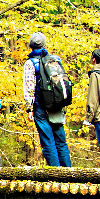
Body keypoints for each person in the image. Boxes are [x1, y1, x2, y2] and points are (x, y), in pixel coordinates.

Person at [23, 32, 72, 167]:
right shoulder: (55, 60)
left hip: (40, 106)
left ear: (31, 46)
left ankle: (56, 176)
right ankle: (68, 174)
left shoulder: (30, 63)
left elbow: (29, 87)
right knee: (61, 141)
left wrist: (29, 108)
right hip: (56, 105)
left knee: (48, 142)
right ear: (44, 45)